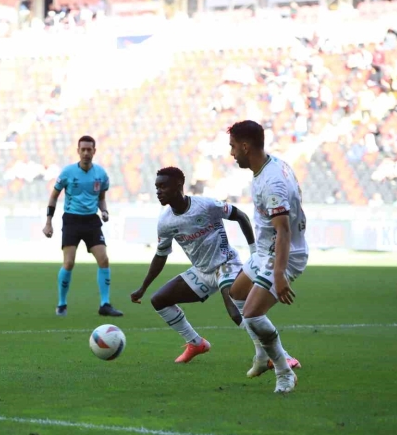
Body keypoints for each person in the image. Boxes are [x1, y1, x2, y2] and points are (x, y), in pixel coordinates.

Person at [130, 167, 279, 364]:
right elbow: (161, 255)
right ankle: (196, 343)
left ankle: (278, 356)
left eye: (163, 186)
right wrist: (144, 286)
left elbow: (240, 216)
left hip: (226, 264)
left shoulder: (206, 205)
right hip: (201, 271)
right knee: (159, 300)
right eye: (157, 187)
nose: (158, 191)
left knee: (236, 312)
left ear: (178, 186)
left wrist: (254, 252)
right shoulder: (165, 222)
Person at [227, 120, 307, 394]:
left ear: (246, 146)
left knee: (251, 314)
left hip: (282, 254)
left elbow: (283, 230)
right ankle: (262, 355)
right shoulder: (271, 166)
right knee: (236, 294)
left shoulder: (272, 181)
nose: (231, 153)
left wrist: (279, 274)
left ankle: (284, 372)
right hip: (265, 251)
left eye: (233, 147)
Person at [42, 135, 123, 317]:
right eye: (83, 149)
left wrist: (104, 211)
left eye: (89, 149)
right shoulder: (67, 173)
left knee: (104, 259)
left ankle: (105, 304)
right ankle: (62, 303)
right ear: (78, 151)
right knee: (69, 263)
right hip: (72, 220)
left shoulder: (101, 174)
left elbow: (101, 198)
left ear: (94, 151)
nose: (86, 153)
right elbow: (54, 196)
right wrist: (48, 222)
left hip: (91, 221)